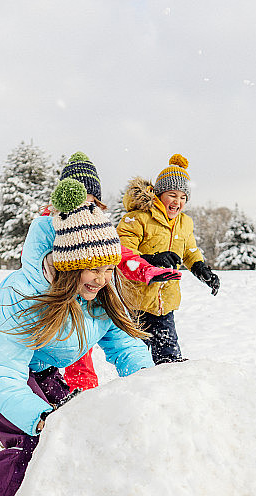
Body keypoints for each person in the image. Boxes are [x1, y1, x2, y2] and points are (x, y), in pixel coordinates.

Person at [0, 178, 154, 496]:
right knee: (31, 444)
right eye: (93, 268)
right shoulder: (23, 298)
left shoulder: (101, 294)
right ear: (69, 266)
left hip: (39, 360)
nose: (102, 279)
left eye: (109, 268)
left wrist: (151, 386)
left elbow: (127, 347)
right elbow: (4, 377)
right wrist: (40, 417)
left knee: (75, 429)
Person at [42, 152, 180, 390]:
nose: (85, 209)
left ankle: (99, 391)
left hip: (92, 296)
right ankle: (63, 396)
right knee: (57, 354)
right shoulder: (48, 225)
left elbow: (122, 254)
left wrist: (147, 269)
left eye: (92, 203)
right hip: (57, 300)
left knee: (111, 340)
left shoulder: (100, 230)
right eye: (79, 202)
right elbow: (33, 260)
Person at [117, 153, 220, 364]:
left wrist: (201, 269)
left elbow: (189, 250)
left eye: (183, 197)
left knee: (169, 359)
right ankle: (134, 391)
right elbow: (122, 253)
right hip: (136, 302)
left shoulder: (185, 222)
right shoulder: (138, 218)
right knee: (135, 358)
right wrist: (152, 259)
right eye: (172, 194)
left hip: (166, 303)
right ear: (159, 194)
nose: (177, 201)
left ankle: (168, 389)